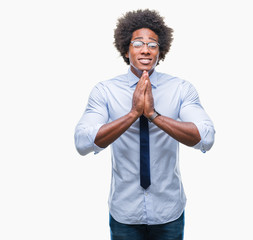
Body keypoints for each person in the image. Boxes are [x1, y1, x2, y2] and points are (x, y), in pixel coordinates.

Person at [74, 9, 215, 240]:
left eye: (153, 44)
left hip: (169, 211)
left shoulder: (181, 89)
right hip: (124, 213)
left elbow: (206, 137)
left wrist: (153, 115)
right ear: (126, 49)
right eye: (138, 43)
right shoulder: (105, 91)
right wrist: (132, 115)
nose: (146, 49)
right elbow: (82, 142)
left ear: (161, 51)